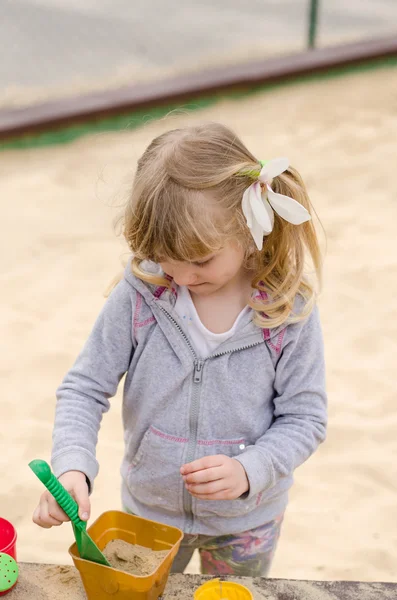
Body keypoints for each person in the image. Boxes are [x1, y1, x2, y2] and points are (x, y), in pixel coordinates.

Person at [33, 122, 327, 577]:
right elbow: (84, 388)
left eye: (202, 259)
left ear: (249, 229)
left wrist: (251, 469)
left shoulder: (288, 310)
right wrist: (73, 466)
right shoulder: (143, 293)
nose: (184, 276)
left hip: (246, 522)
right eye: (167, 255)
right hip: (149, 512)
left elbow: (305, 417)